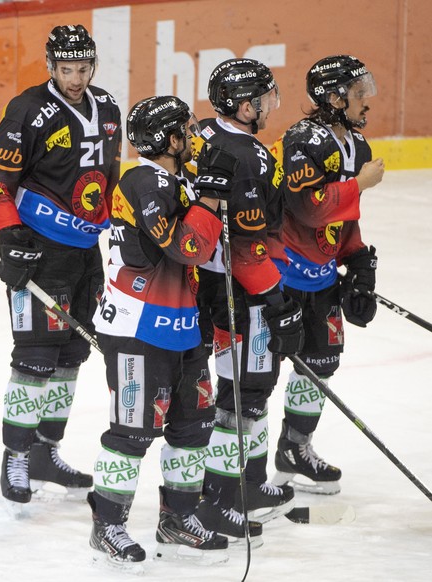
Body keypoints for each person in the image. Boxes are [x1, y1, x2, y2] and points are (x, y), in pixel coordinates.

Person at [0, 24, 122, 508]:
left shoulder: (108, 110)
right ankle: (15, 454)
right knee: (36, 356)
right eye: (66, 69)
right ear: (50, 66)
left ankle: (45, 452)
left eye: (82, 68)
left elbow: (111, 178)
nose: (75, 78)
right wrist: (8, 238)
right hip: (39, 249)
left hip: (86, 252)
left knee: (71, 357)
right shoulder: (28, 110)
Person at [86, 96, 233, 568]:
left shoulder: (175, 180)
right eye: (187, 130)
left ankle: (177, 517)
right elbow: (188, 246)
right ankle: (107, 524)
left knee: (193, 423)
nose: (193, 137)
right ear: (170, 140)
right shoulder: (143, 181)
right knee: (132, 432)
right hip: (137, 329)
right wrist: (209, 197)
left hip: (181, 325)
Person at [193, 58, 303, 545]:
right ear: (242, 105)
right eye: (261, 97)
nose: (268, 105)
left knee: (242, 391)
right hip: (237, 291)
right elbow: (248, 248)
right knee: (243, 396)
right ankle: (218, 497)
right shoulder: (250, 157)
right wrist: (280, 300)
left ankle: (249, 483)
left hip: (201, 284)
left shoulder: (198, 134)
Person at [269, 55, 385, 494]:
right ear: (334, 99)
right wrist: (359, 185)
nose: (366, 102)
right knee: (254, 377)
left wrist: (356, 260)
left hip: (320, 276)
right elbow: (308, 207)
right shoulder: (303, 139)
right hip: (279, 276)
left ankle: (294, 449)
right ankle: (233, 473)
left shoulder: (358, 146)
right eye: (358, 94)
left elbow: (344, 218)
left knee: (321, 363)